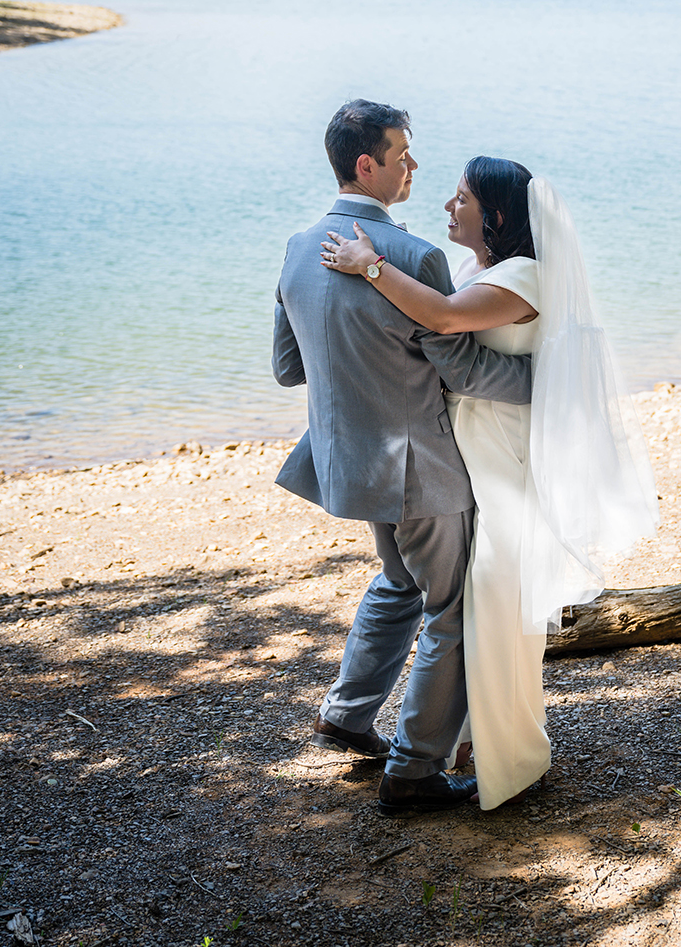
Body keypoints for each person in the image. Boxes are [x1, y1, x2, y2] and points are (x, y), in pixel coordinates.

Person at [322, 157, 659, 809]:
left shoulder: (524, 277)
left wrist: (369, 265)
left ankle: (506, 756)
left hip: (502, 458)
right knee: (471, 600)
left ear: (498, 216)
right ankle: (465, 740)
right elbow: (445, 321)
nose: (449, 206)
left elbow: (444, 326)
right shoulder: (481, 270)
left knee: (497, 603)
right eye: (451, 197)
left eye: (463, 199)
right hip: (467, 451)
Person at [272, 101, 532, 816]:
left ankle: (346, 715)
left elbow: (289, 369)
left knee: (397, 581)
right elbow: (463, 370)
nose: (412, 167)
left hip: (346, 461)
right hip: (419, 468)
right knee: (450, 607)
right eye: (403, 155)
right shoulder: (414, 259)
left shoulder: (298, 246)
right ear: (368, 165)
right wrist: (549, 384)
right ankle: (413, 771)